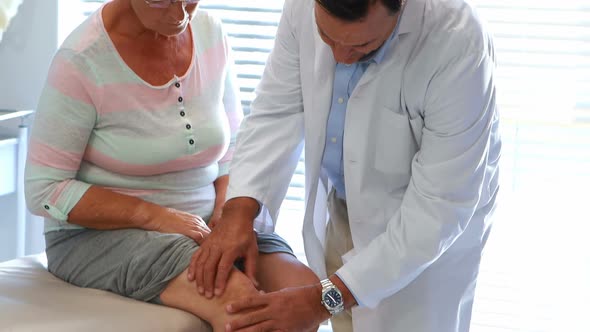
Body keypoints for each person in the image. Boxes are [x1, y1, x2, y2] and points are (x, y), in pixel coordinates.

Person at [188, 0, 501, 331]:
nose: (339, 57)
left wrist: (323, 299)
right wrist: (239, 213)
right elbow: (276, 111)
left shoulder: (457, 41)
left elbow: (440, 206)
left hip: (425, 239)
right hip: (346, 203)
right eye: (326, 36)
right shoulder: (302, 7)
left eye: (362, 46)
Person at [23, 0, 319, 331]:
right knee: (242, 305)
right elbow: (44, 189)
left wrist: (228, 214)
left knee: (301, 291)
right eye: (160, 1)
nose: (180, 15)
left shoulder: (210, 32)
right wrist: (158, 217)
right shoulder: (81, 60)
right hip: (98, 237)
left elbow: (232, 148)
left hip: (207, 224)